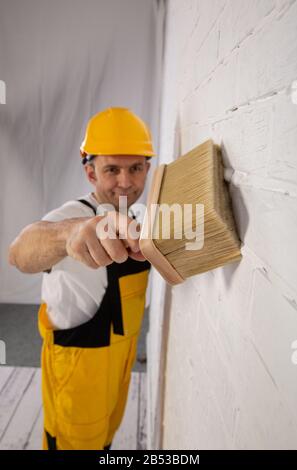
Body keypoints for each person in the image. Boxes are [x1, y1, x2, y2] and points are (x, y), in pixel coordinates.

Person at [8, 107, 155, 450]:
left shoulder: (136, 217)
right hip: (78, 364)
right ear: (90, 173)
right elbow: (18, 252)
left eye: (135, 168)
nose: (125, 181)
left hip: (121, 358)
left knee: (104, 439)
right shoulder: (73, 216)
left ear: (147, 168)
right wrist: (68, 236)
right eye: (111, 169)